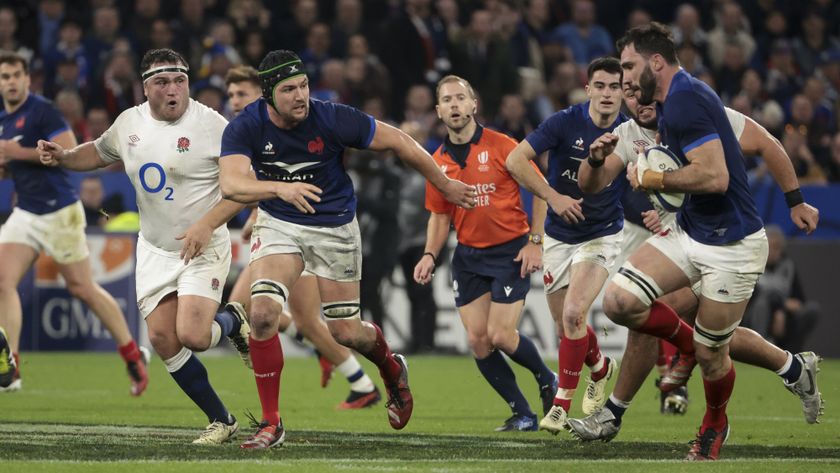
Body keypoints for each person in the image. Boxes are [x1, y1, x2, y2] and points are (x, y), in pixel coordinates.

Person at [218, 49, 476, 449]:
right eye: (289, 90)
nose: (301, 95)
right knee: (264, 313)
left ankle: (391, 369)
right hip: (280, 223)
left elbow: (401, 142)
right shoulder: (245, 126)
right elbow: (231, 185)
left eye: (303, 85)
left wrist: (443, 184)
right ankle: (271, 423)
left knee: (346, 333)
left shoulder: (334, 117)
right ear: (268, 94)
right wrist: (280, 189)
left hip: (335, 227)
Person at [583, 23, 816, 460]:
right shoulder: (656, 112)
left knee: (713, 354)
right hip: (689, 232)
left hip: (733, 245)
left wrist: (795, 200)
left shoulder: (688, 100)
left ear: (656, 63)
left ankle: (713, 424)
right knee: (621, 303)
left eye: (631, 68)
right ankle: (700, 355)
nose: (626, 82)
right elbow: (593, 183)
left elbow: (716, 176)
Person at [37, 48, 251, 445]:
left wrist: (206, 224)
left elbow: (242, 189)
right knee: (163, 341)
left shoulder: (214, 126)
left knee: (194, 336)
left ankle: (233, 321)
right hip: (155, 248)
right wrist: (65, 156)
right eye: (162, 82)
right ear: (144, 87)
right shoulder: (129, 122)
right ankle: (222, 420)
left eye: (180, 81)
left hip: (203, 245)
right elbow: (99, 151)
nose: (173, 90)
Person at [224, 65, 382, 409]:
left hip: (306, 229)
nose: (234, 101)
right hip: (276, 230)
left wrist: (243, 215)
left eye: (242, 94)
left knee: (256, 312)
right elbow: (249, 184)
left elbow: (258, 186)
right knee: (281, 317)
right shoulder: (242, 132)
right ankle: (351, 375)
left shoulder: (270, 127)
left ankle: (357, 377)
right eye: (231, 94)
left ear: (262, 95)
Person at [414, 75, 557, 432]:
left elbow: (541, 191)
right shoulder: (437, 161)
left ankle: (546, 377)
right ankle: (523, 413)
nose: (454, 105)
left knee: (500, 336)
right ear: (438, 111)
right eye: (447, 100)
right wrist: (430, 255)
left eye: (460, 98)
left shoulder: (503, 145)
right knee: (478, 341)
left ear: (474, 104)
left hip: (510, 251)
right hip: (468, 256)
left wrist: (535, 242)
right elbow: (439, 215)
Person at [0, 51, 148, 396]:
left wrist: (13, 151)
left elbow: (66, 152)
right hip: (27, 212)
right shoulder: (4, 120)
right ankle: (13, 367)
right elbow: (10, 164)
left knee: (82, 288)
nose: (9, 82)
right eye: (3, 77)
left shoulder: (41, 110)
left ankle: (132, 354)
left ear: (26, 79)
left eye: (14, 76)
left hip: (60, 211)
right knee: (3, 281)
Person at [505, 57, 626, 434]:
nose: (607, 94)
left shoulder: (632, 129)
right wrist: (553, 197)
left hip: (602, 233)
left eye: (615, 87)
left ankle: (559, 405)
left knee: (575, 314)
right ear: (588, 89)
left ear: (625, 92)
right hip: (559, 234)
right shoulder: (564, 121)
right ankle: (601, 367)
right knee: (565, 326)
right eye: (601, 86)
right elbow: (515, 160)